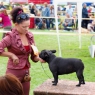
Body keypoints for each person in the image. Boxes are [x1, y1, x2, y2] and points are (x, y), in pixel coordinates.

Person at [0, 7, 39, 95]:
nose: (27, 29)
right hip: (13, 73)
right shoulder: (10, 37)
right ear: (16, 25)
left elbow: (34, 55)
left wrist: (39, 58)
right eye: (24, 27)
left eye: (28, 26)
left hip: (26, 73)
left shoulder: (30, 36)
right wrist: (11, 55)